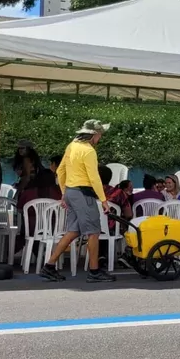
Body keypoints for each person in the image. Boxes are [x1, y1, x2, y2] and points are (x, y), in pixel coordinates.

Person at [40, 120, 115, 283]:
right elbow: (94, 177)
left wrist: (64, 193)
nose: (100, 138)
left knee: (73, 230)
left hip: (71, 192)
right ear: (94, 134)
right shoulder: (88, 151)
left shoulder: (72, 146)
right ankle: (94, 271)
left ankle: (49, 266)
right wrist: (103, 200)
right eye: (100, 134)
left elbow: (60, 171)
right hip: (83, 193)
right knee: (94, 232)